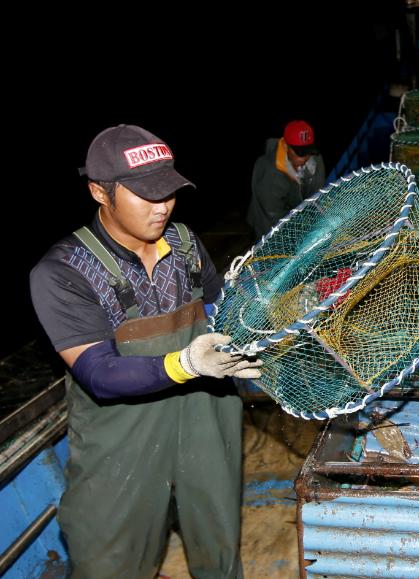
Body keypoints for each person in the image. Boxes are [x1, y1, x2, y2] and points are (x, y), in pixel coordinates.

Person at [30, 124, 262, 578]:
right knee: (109, 557)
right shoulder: (63, 272)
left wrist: (259, 315)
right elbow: (99, 373)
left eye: (168, 191)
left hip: (205, 418)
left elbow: (218, 310)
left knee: (218, 544)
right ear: (100, 192)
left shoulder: (185, 244)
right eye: (145, 194)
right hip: (122, 437)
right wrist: (188, 362)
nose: (162, 206)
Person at [247, 119, 327, 239]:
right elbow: (273, 214)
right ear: (286, 146)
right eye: (300, 153)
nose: (306, 158)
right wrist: (299, 232)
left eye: (308, 151)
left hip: (297, 216)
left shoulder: (316, 160)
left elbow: (317, 195)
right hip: (267, 223)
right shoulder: (269, 171)